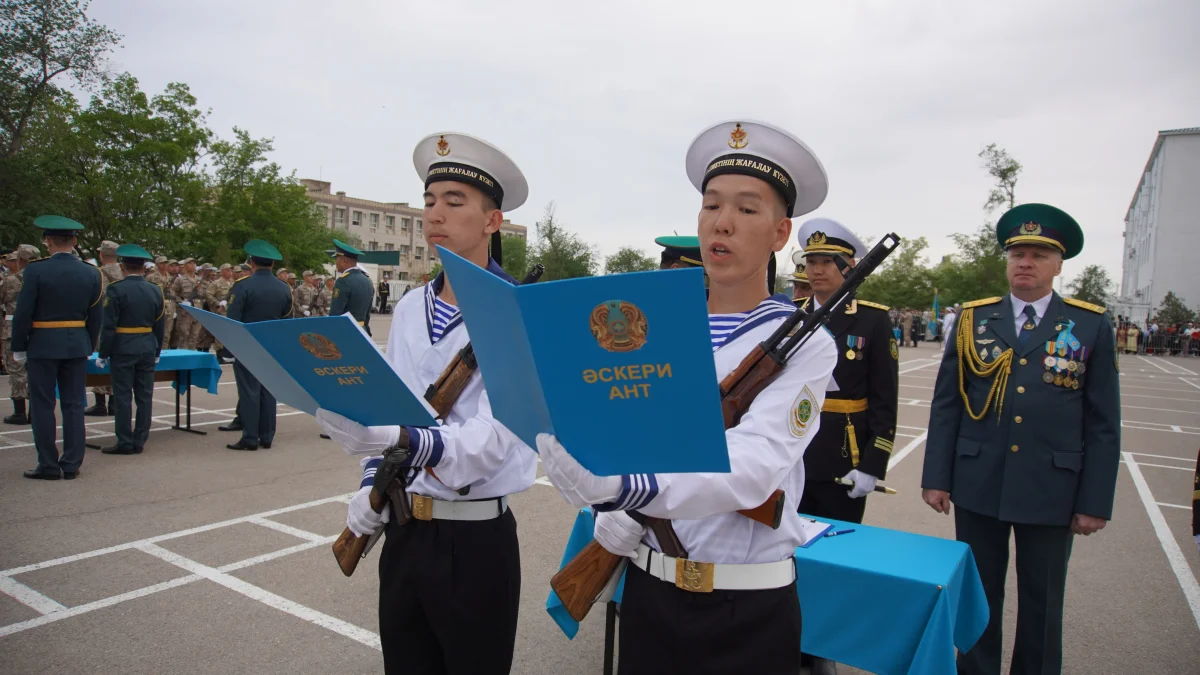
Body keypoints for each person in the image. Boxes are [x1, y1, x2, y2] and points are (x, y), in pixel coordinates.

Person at [539, 120, 838, 675]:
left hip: (746, 609)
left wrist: (628, 486)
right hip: (650, 589)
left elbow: (753, 467)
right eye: (711, 205)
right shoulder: (654, 330)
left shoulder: (806, 344)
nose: (722, 222)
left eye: (746, 209)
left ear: (780, 234)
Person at [315, 131, 537, 675]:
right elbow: (390, 406)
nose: (435, 214)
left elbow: (490, 443)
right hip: (404, 527)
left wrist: (399, 439)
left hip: (475, 540)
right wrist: (371, 484)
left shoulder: (520, 311)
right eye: (430, 200)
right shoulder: (413, 306)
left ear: (493, 221)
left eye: (455, 202)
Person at [921, 203, 1120, 675]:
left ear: (1058, 265)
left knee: (1043, 601)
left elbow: (1103, 422)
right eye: (1017, 254)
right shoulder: (974, 319)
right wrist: (936, 477)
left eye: (1038, 255)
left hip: (1052, 487)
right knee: (978, 597)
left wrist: (1095, 501)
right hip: (979, 481)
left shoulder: (1089, 324)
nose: (1025, 263)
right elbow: (947, 404)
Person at [793, 217, 899, 675]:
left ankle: (825, 648)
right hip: (792, 452)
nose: (816, 270)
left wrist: (873, 464)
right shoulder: (790, 315)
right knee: (788, 553)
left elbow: (884, 400)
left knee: (835, 559)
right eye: (811, 261)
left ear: (848, 267)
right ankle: (791, 641)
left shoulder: (872, 320)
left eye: (826, 262)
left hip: (843, 457)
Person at [11, 216, 103, 480]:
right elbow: (96, 315)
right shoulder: (91, 272)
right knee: (74, 405)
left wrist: (19, 345)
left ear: (48, 241)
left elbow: (24, 312)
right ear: (74, 241)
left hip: (43, 344)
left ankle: (48, 465)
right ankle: (72, 463)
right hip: (76, 344)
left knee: (42, 404)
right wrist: (89, 344)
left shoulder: (35, 271)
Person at [225, 240, 293, 451]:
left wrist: (228, 349)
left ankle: (250, 437)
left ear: (252, 263)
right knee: (268, 391)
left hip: (248, 345)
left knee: (249, 392)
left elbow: (232, 320)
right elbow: (288, 321)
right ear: (272, 264)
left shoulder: (243, 286)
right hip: (272, 346)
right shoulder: (284, 288)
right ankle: (267, 436)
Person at [97, 244, 165, 455]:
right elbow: (159, 325)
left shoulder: (116, 289)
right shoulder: (155, 290)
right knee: (144, 396)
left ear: (122, 266)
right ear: (144, 267)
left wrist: (103, 353)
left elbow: (109, 326)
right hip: (147, 345)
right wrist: (157, 351)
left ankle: (125, 441)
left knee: (123, 396)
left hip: (124, 347)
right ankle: (140, 439)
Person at [84, 240, 124, 416]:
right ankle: (114, 403)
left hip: (101, 321)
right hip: (122, 323)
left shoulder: (96, 273)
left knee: (100, 358)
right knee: (117, 361)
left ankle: (100, 403)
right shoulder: (124, 272)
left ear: (102, 255)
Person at [1, 245, 40, 424]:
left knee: (16, 370)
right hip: (37, 328)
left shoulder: (9, 281)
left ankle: (19, 412)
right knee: (35, 370)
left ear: (19, 260)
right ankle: (34, 411)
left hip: (12, 327)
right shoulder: (42, 278)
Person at [329, 240, 375, 334]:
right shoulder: (367, 281)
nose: (335, 263)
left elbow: (335, 314)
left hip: (345, 331)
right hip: (362, 331)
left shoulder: (343, 281)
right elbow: (367, 314)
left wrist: (331, 333)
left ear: (344, 260)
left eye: (337, 259)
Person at [169, 257, 199, 349]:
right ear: (185, 266)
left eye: (194, 263)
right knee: (184, 336)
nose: (193, 265)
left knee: (194, 336)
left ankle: (192, 355)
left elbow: (204, 294)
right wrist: (182, 302)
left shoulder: (199, 279)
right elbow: (172, 293)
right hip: (184, 312)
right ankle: (184, 354)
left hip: (197, 310)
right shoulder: (180, 279)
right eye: (190, 263)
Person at [208, 263, 236, 362]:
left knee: (230, 334)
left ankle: (228, 354)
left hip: (231, 312)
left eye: (231, 270)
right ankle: (219, 354)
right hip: (220, 311)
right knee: (220, 333)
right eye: (227, 270)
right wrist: (217, 303)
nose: (230, 272)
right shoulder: (216, 283)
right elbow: (208, 294)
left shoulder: (234, 283)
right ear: (222, 272)